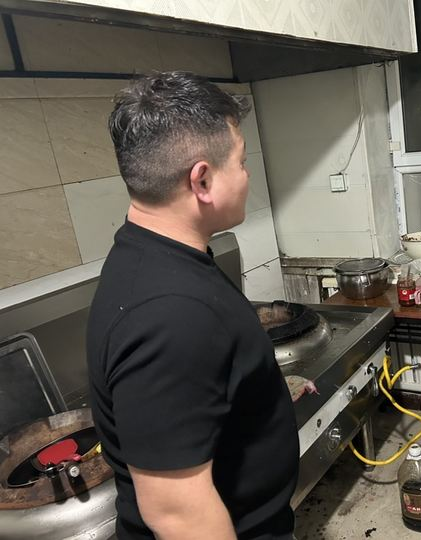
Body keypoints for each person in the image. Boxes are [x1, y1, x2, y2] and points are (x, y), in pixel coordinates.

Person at [86, 71, 299, 539]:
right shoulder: (171, 314)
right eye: (241, 162)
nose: (246, 175)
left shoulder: (156, 255)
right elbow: (179, 516)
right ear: (202, 179)